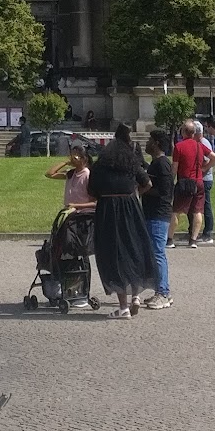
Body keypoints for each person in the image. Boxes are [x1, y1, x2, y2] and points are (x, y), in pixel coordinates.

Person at [89, 126, 155, 317]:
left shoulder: (101, 165)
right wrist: (133, 195)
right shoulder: (131, 162)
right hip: (130, 207)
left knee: (113, 255)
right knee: (133, 249)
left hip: (108, 209)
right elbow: (147, 183)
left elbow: (91, 191)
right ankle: (135, 295)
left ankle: (123, 306)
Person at [141, 129, 175, 308]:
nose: (147, 143)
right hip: (150, 213)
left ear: (157, 144)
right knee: (152, 253)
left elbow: (166, 191)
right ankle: (159, 290)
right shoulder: (154, 164)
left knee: (158, 253)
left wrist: (144, 189)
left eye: (150, 140)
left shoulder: (162, 164)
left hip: (158, 214)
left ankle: (163, 292)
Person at [172, 122, 211, 247]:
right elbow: (214, 157)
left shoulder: (179, 146)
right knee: (198, 210)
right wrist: (204, 169)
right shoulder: (200, 146)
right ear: (194, 133)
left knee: (176, 211)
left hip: (184, 181)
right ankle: (193, 239)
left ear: (183, 132)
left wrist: (171, 181)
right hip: (198, 181)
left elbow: (175, 167)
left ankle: (169, 239)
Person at [46, 144, 95, 212]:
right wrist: (65, 162)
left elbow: (95, 203)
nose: (72, 159)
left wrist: (75, 205)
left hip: (84, 213)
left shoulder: (88, 175)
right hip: (71, 212)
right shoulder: (71, 173)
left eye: (75, 157)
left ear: (83, 159)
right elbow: (49, 174)